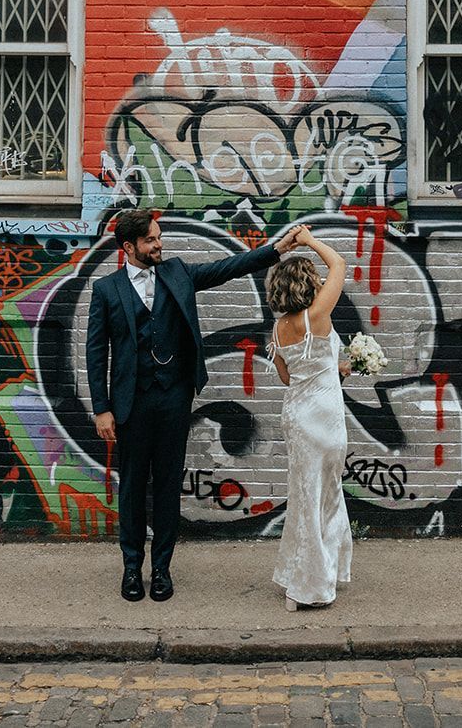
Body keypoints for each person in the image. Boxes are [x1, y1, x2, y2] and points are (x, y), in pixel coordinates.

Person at [87, 209, 305, 602]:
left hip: (173, 398)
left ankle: (162, 570)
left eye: (158, 237)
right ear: (128, 247)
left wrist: (276, 249)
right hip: (130, 404)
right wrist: (101, 408)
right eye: (151, 240)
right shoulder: (106, 290)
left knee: (169, 485)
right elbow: (95, 352)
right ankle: (132, 568)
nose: (159, 244)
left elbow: (228, 267)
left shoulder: (178, 273)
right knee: (133, 487)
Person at [265, 225, 353, 610]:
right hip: (326, 416)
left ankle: (304, 575)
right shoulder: (317, 315)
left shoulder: (280, 328)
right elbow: (340, 264)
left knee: (304, 497)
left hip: (297, 417)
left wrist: (337, 368)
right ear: (307, 283)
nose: (321, 281)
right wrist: (309, 241)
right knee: (328, 496)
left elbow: (289, 377)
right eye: (315, 279)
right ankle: (309, 587)